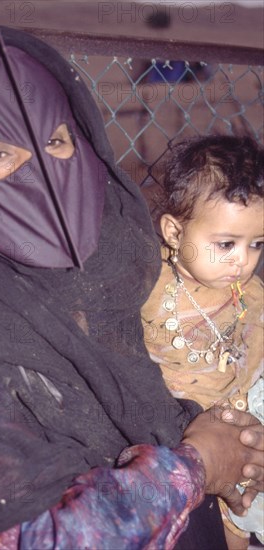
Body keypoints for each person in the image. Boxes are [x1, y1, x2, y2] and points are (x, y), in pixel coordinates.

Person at [0, 22, 263, 550]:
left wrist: (236, 445)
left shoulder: (97, 282)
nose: (43, 175)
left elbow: (143, 407)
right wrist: (197, 466)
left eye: (54, 141)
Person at [141, 136, 264, 549]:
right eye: (226, 244)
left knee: (240, 523)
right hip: (178, 441)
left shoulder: (252, 294)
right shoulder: (147, 288)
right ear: (175, 232)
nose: (242, 260)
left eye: (257, 244)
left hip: (241, 435)